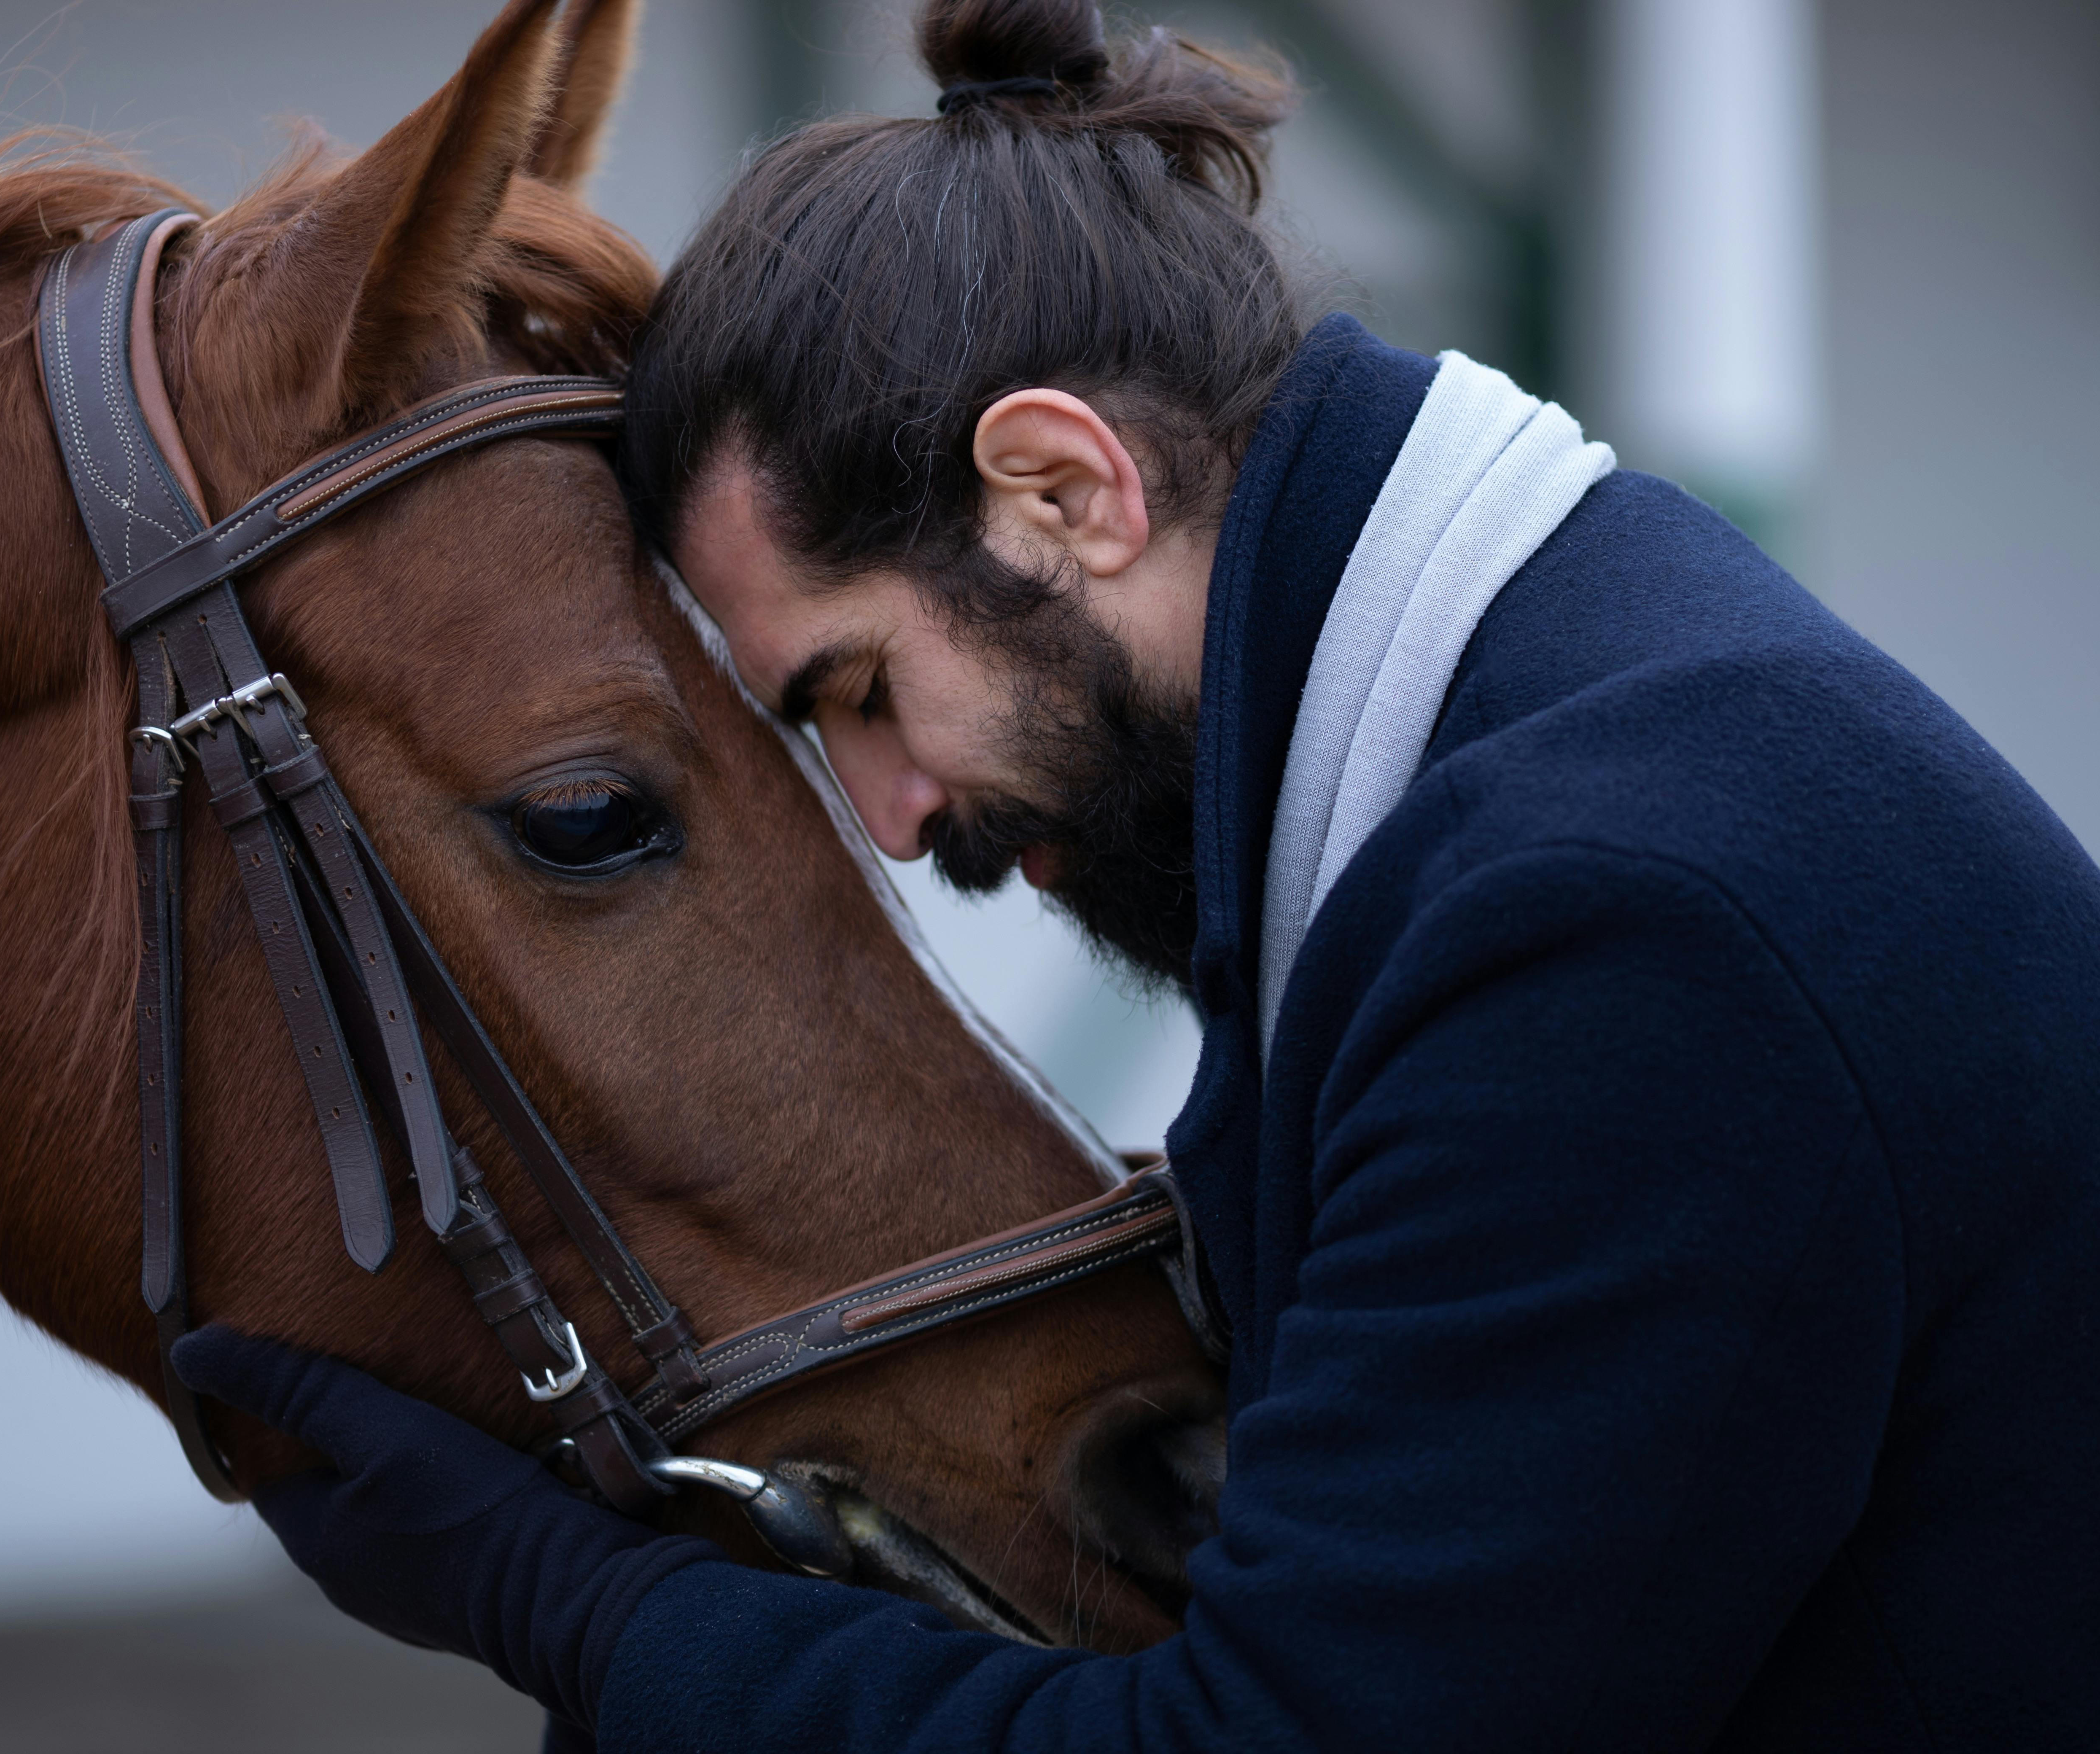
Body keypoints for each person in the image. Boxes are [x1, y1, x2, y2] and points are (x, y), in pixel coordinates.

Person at [170, 1, 2100, 1747]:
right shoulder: (1537, 699)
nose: (895, 814)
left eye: (859, 691)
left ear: (1066, 491)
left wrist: (564, 1599)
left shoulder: (1624, 925)